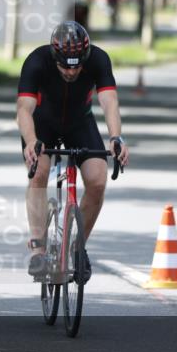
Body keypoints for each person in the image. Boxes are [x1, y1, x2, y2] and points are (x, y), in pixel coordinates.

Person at [17, 21, 130, 282]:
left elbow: (109, 100)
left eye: (77, 65)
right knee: (39, 172)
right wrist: (32, 140)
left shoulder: (99, 59)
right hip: (42, 125)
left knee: (97, 180)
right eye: (65, 66)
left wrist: (115, 137)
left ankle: (78, 248)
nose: (71, 71)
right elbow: (24, 109)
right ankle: (38, 248)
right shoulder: (37, 60)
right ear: (55, 57)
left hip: (80, 122)